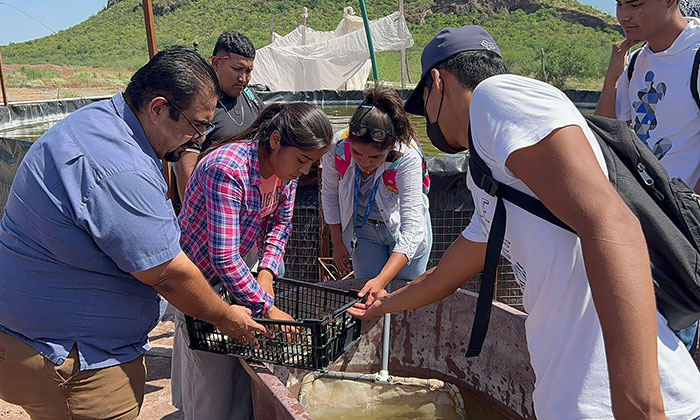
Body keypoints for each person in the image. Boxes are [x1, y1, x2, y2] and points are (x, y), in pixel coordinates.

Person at [348, 25, 700, 420]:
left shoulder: (496, 97)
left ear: (438, 82)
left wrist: (640, 407)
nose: (428, 117)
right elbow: (444, 276)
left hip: (618, 406)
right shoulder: (492, 173)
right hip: (573, 402)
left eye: (424, 103)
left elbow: (614, 224)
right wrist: (384, 305)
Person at [0, 46, 270, 420]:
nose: (200, 139)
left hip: (34, 336)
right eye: (197, 125)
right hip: (74, 357)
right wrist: (226, 316)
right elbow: (169, 275)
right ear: (158, 109)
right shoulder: (120, 169)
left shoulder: (102, 122)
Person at [171, 102, 332, 420]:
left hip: (240, 267)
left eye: (311, 164)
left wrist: (267, 273)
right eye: (302, 161)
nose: (304, 171)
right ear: (275, 141)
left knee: (245, 365)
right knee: (210, 379)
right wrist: (268, 307)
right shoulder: (227, 169)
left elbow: (280, 226)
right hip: (200, 275)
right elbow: (223, 257)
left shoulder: (287, 173)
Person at [595, 0, 700, 356]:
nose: (623, 15)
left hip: (678, 236)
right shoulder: (637, 60)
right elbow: (609, 132)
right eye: (619, 3)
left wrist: (690, 224)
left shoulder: (696, 53)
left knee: (671, 359)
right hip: (635, 226)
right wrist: (613, 75)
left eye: (636, 4)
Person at [320, 87, 432, 296]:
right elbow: (329, 194)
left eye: (375, 157)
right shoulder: (337, 146)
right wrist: (337, 242)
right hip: (364, 231)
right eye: (357, 152)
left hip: (403, 231)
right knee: (369, 297)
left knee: (404, 297)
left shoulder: (406, 158)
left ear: (389, 148)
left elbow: (412, 230)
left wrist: (381, 280)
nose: (364, 162)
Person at [175, 30, 265, 201]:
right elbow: (185, 169)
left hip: (251, 204)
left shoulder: (253, 101)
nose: (244, 79)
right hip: (215, 205)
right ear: (216, 63)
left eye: (248, 71)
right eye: (237, 69)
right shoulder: (199, 107)